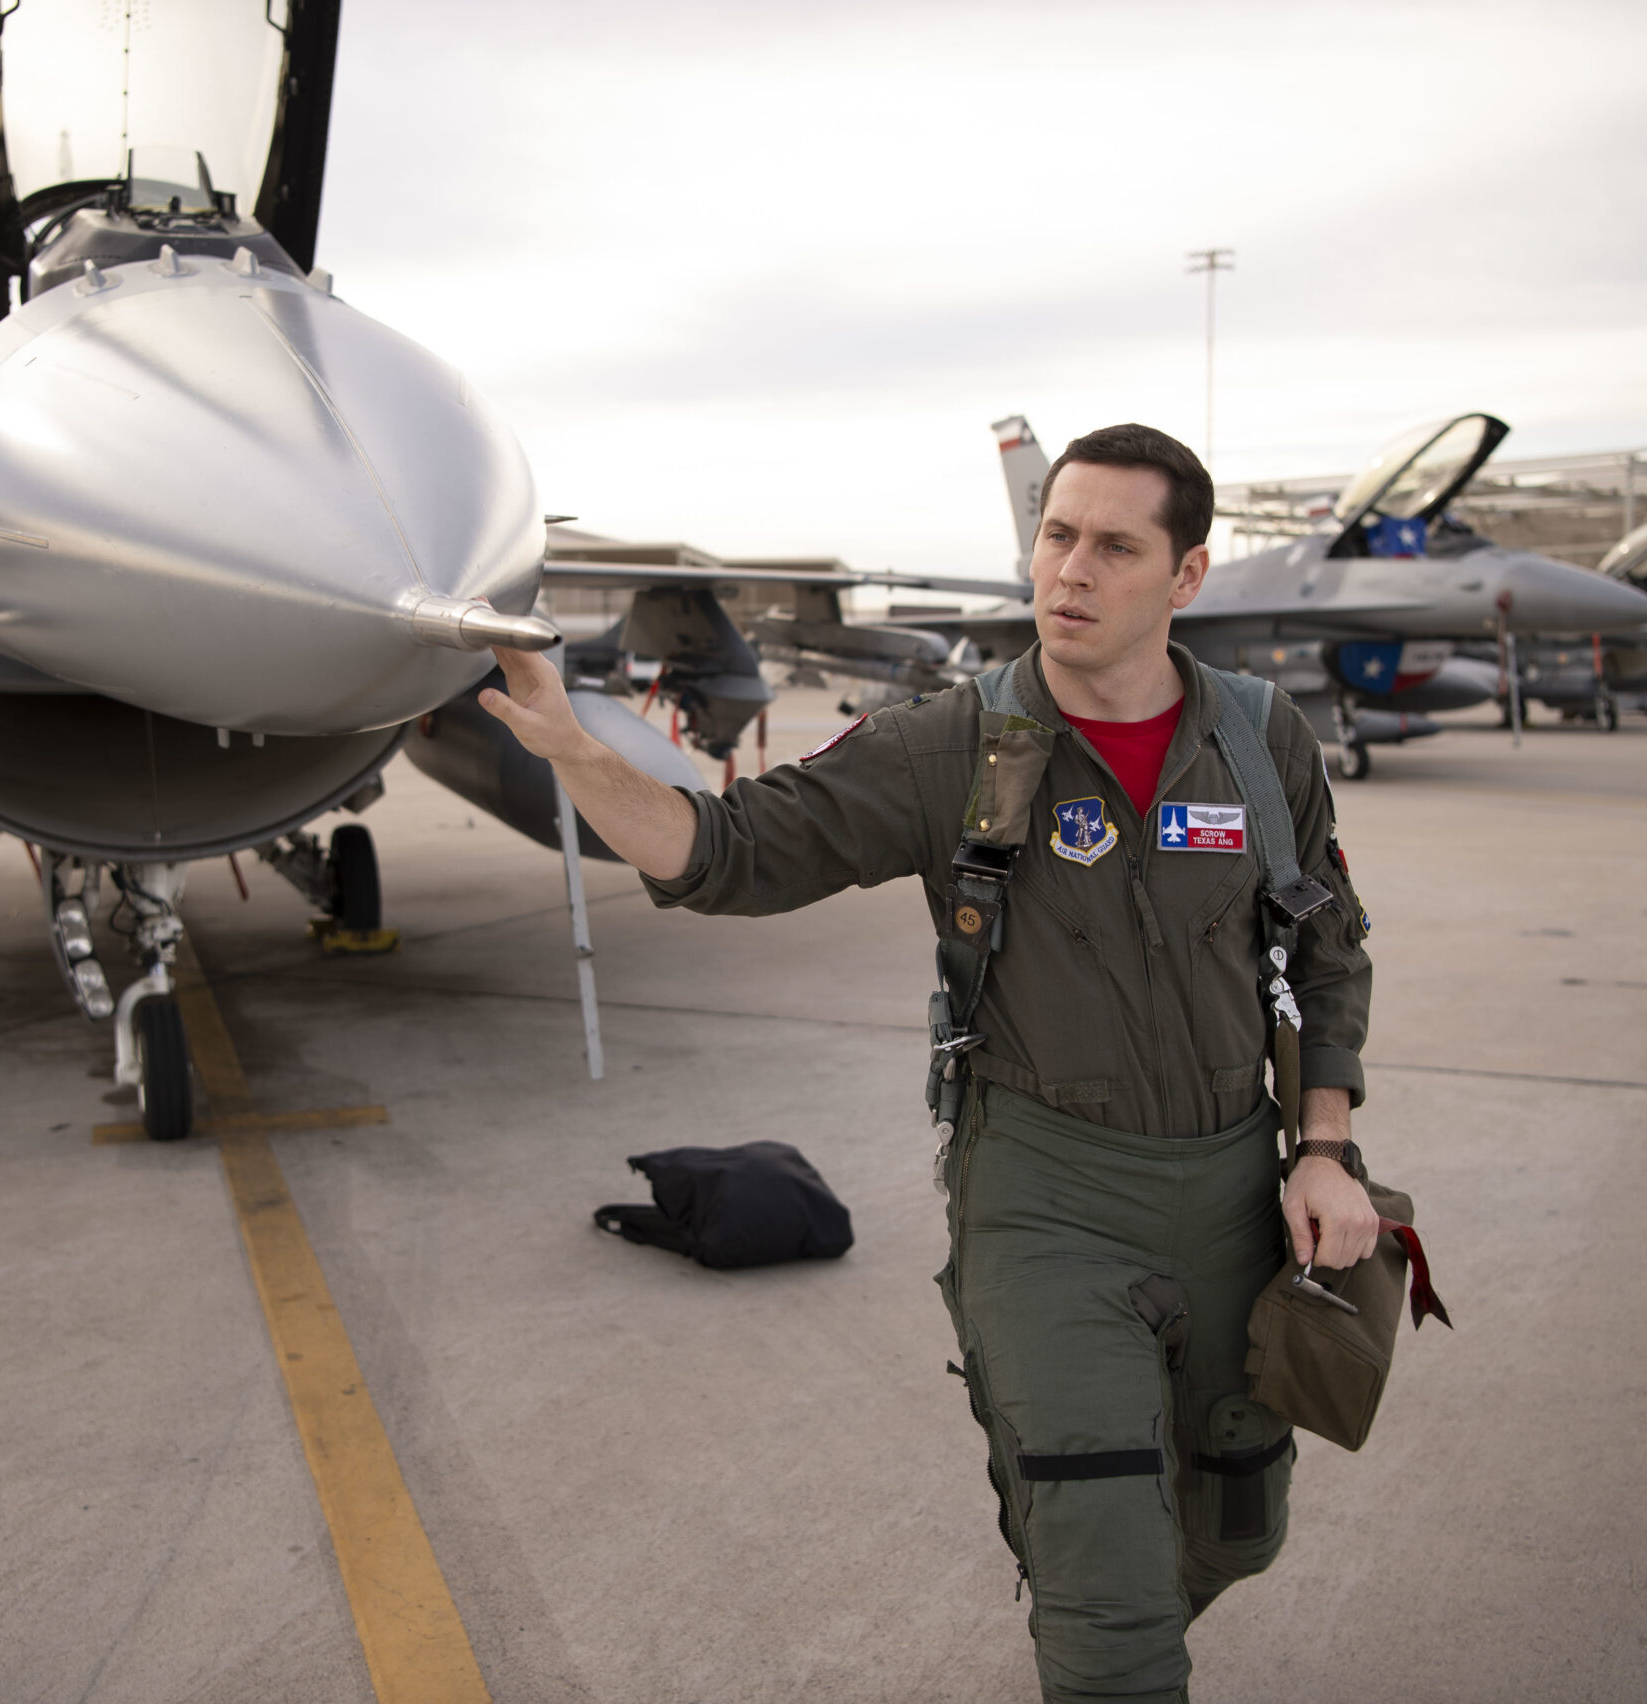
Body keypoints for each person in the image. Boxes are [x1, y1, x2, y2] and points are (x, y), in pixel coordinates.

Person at [482, 423, 1377, 1703]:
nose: (1069, 568)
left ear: (1185, 579)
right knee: (1107, 1596)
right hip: (1045, 1200)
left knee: (1238, 1528)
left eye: (1115, 546)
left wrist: (1327, 1147)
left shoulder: (1260, 741)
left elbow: (1327, 948)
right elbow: (724, 853)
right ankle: (1100, 1621)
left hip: (1236, 1190)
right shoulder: (950, 746)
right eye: (1056, 534)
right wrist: (577, 751)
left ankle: (1116, 1599)